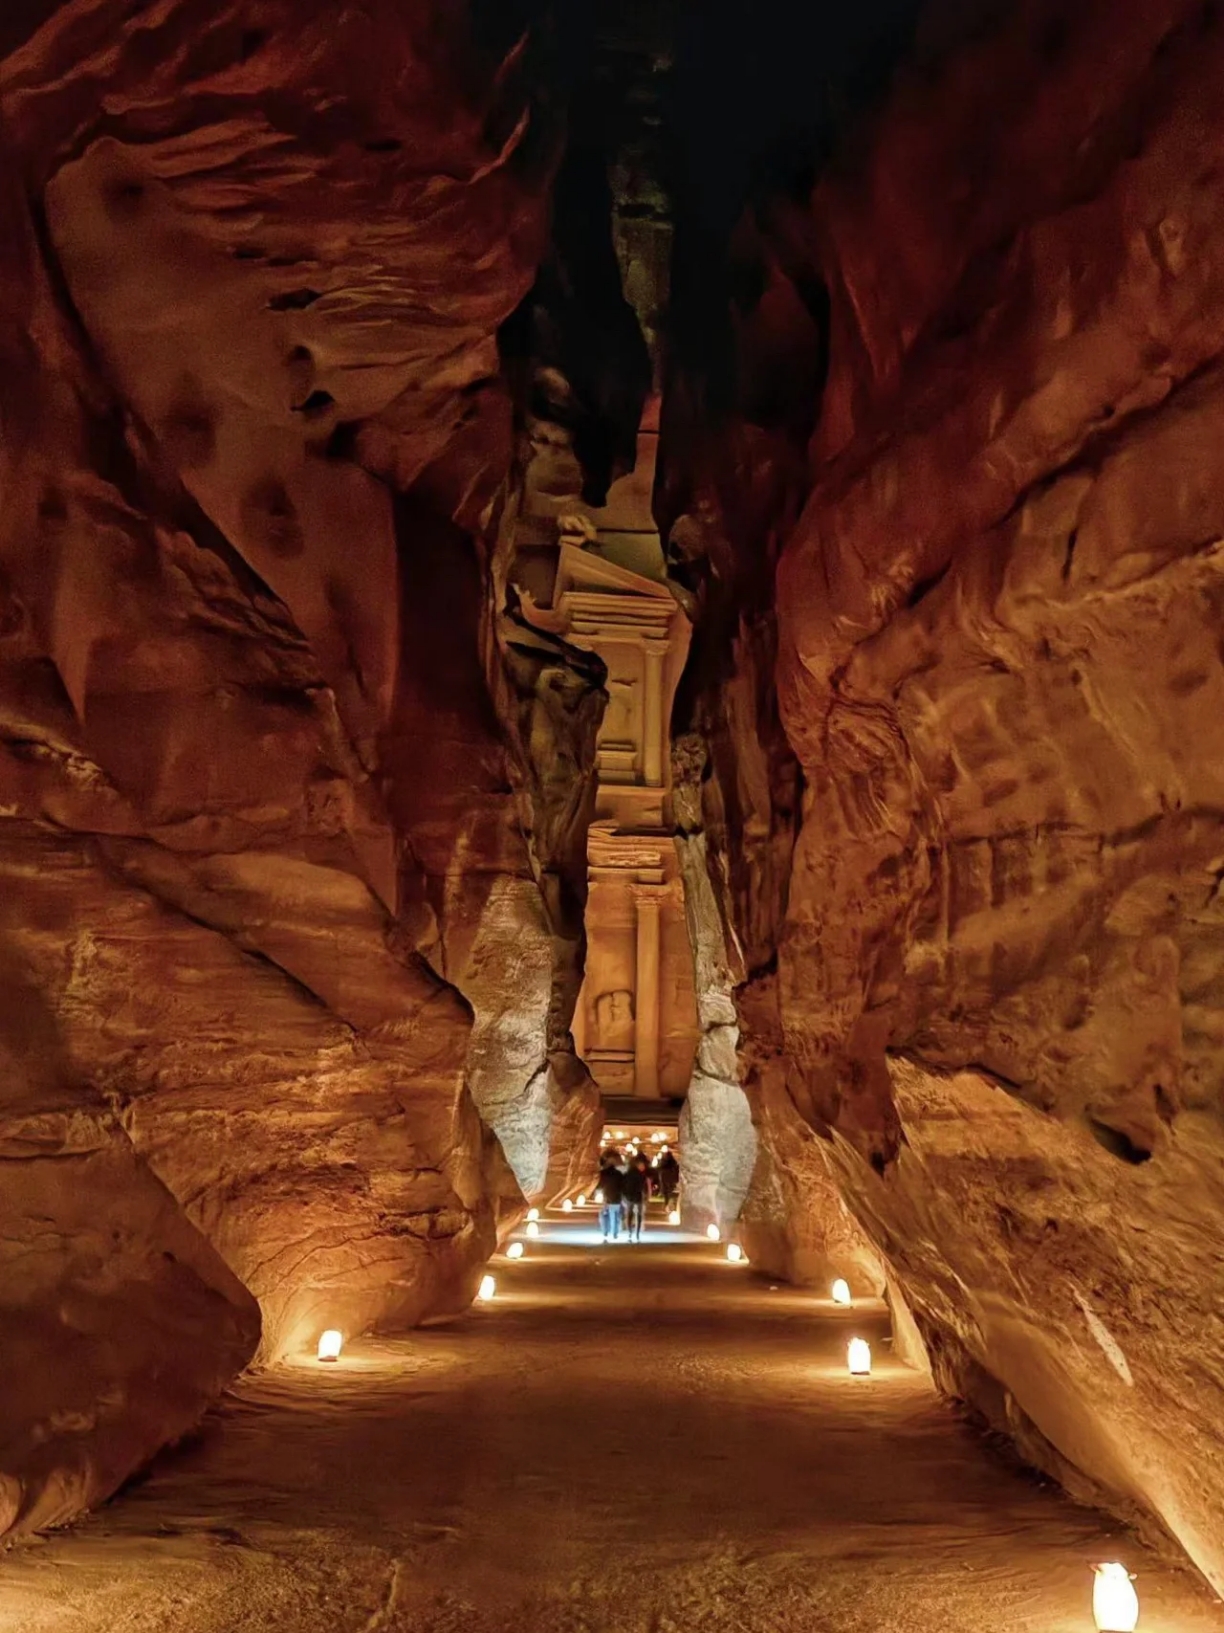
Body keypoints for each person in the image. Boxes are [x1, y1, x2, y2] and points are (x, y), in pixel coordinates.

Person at [621, 1154, 651, 1242]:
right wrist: (646, 1196)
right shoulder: (641, 1175)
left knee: (629, 1214)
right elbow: (643, 1187)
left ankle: (630, 1231)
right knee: (639, 1215)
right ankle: (637, 1233)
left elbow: (623, 1185)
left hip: (629, 1197)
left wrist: (624, 1195)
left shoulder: (627, 1174)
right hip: (638, 1197)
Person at [597, 1158, 624, 1242]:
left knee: (605, 1215)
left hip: (607, 1198)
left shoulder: (603, 1174)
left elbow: (599, 1185)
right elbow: (622, 1186)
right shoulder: (619, 1174)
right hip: (617, 1198)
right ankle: (615, 1232)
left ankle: (605, 1231)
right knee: (616, 1216)